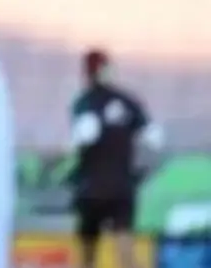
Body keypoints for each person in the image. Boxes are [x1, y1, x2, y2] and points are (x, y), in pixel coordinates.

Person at [69, 48, 164, 268]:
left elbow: (83, 137)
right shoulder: (128, 101)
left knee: (87, 257)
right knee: (126, 253)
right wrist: (139, 172)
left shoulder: (85, 102)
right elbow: (154, 138)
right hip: (121, 187)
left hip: (91, 188)